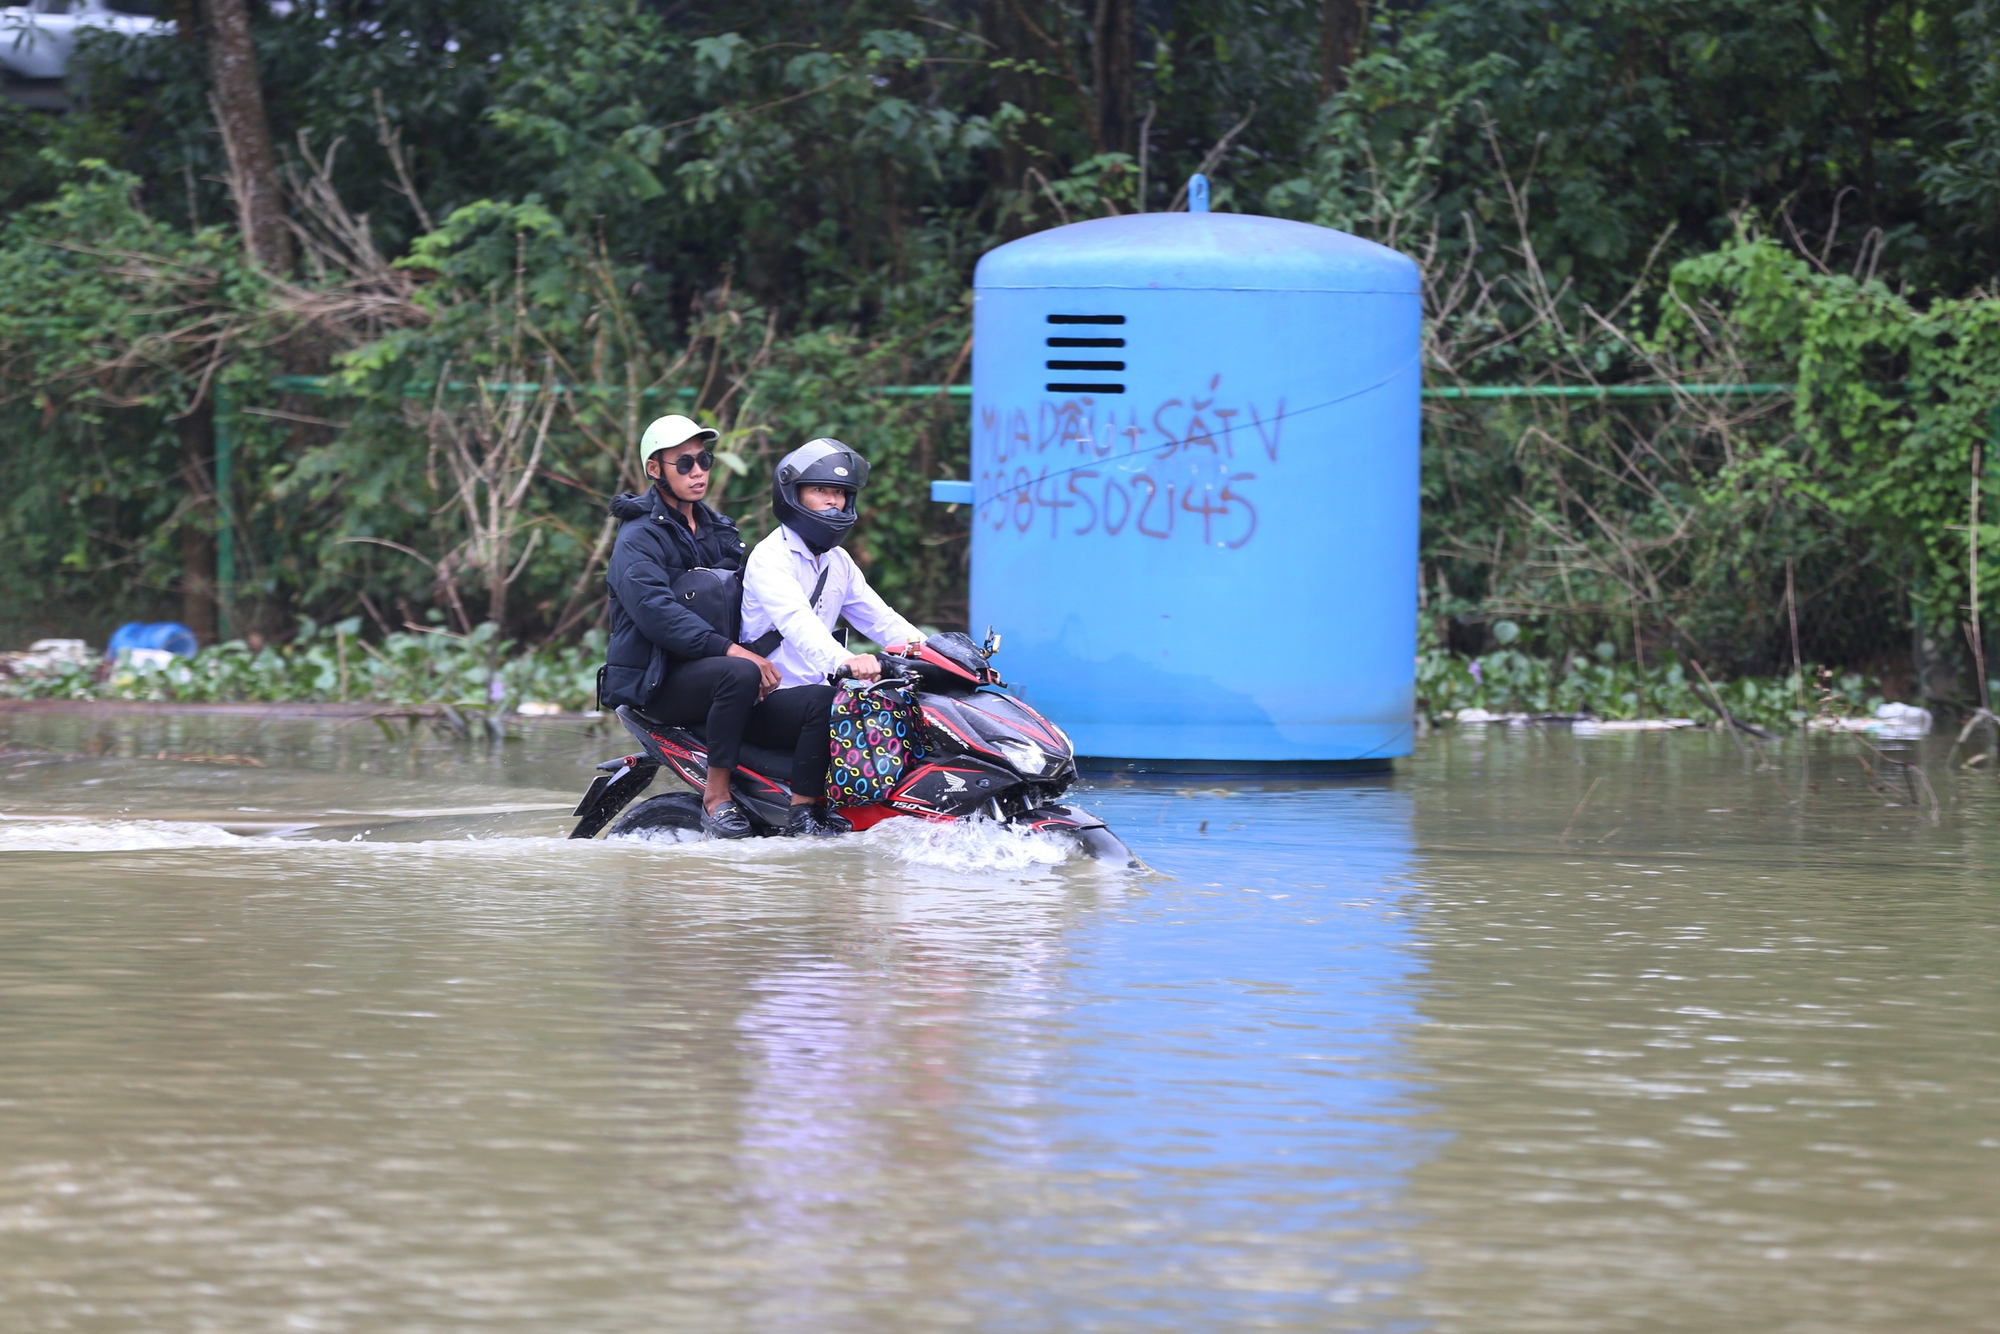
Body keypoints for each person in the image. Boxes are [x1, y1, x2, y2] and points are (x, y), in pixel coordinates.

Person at [601, 415, 844, 840]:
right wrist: (736, 653)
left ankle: (804, 811)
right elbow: (657, 613)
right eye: (684, 463)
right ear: (655, 469)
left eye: (704, 460)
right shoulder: (637, 538)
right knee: (741, 671)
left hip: (721, 677)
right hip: (661, 680)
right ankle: (718, 797)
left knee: (824, 700)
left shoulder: (720, 531)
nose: (698, 472)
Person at [739, 436, 925, 693]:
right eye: (820, 490)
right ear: (792, 495)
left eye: (839, 492)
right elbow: (798, 621)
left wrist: (937, 654)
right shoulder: (771, 556)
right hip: (774, 695)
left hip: (821, 688)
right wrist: (845, 659)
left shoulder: (837, 559)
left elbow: (880, 620)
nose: (833, 501)